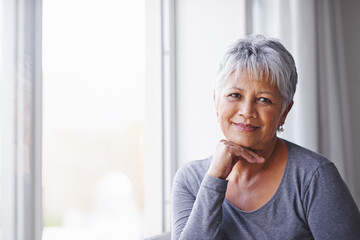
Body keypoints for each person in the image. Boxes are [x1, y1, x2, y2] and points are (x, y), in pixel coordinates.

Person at [171, 34, 360, 240]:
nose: (246, 111)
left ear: (284, 112)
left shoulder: (314, 177)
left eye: (264, 100)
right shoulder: (190, 180)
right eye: (235, 95)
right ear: (216, 102)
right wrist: (214, 178)